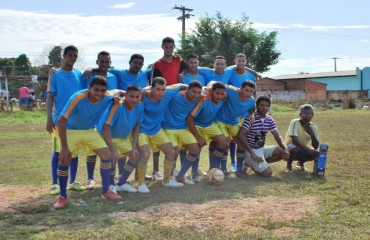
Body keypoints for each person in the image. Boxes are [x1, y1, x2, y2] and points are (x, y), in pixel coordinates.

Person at [54, 76, 122, 209]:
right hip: (70, 130)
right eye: (96, 89)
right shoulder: (78, 97)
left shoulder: (108, 97)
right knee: (64, 159)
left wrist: (118, 97)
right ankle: (62, 197)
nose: (99, 93)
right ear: (89, 88)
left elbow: (120, 92)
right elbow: (61, 121)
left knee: (107, 155)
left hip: (90, 130)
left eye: (102, 90)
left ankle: (105, 191)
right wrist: (64, 147)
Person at [136, 77, 186, 193]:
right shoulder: (143, 96)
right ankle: (141, 183)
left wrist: (205, 90)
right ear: (151, 88)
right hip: (141, 130)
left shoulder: (168, 94)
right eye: (158, 89)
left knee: (171, 152)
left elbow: (180, 85)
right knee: (145, 154)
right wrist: (144, 90)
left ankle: (166, 181)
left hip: (156, 130)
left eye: (163, 89)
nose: (161, 92)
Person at [46, 45, 84, 196]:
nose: (72, 58)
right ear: (64, 56)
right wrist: (49, 118)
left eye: (75, 56)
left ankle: (73, 181)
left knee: (73, 152)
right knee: (58, 152)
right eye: (70, 55)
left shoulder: (79, 74)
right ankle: (54, 184)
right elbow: (50, 97)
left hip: (75, 121)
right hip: (59, 120)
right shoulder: (55, 75)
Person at [151, 37, 187, 180]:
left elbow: (185, 66)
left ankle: (172, 168)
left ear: (174, 47)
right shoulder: (157, 64)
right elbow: (154, 82)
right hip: (163, 98)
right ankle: (155, 170)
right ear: (162, 47)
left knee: (174, 133)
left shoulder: (179, 60)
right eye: (166, 47)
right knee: (159, 132)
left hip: (176, 99)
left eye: (171, 46)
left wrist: (182, 73)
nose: (168, 49)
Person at [81, 51, 119, 190]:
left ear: (110, 62)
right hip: (92, 116)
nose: (104, 64)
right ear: (97, 62)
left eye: (107, 61)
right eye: (102, 61)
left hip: (108, 116)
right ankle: (90, 178)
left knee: (109, 147)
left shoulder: (114, 76)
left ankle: (111, 177)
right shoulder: (89, 76)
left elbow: (116, 94)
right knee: (91, 150)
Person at [97, 85, 144, 193]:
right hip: (107, 135)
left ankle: (121, 183)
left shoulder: (140, 106)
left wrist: (134, 146)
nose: (134, 99)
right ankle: (110, 185)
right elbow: (106, 127)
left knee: (135, 155)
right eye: (131, 96)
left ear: (140, 97)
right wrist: (112, 149)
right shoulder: (117, 105)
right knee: (112, 158)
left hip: (123, 137)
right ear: (125, 96)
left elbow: (137, 125)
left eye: (137, 97)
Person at [160, 80, 203, 185]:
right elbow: (166, 89)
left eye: (198, 92)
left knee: (195, 149)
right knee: (174, 152)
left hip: (183, 128)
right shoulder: (176, 95)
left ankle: (180, 176)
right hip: (168, 127)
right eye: (194, 92)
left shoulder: (199, 98)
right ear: (187, 90)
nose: (196, 95)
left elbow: (210, 89)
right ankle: (167, 179)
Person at [237, 95, 290, 177]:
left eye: (266, 105)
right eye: (261, 105)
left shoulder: (269, 119)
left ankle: (258, 164)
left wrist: (286, 148)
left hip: (260, 149)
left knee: (281, 151)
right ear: (257, 106)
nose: (264, 107)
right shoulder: (251, 118)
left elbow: (277, 136)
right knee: (267, 173)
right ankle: (249, 162)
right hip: (250, 151)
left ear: (269, 107)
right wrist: (252, 153)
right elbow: (241, 135)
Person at [186, 82, 228, 181]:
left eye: (222, 94)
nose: (219, 96)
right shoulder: (204, 101)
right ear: (211, 92)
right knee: (197, 148)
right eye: (217, 93)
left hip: (209, 124)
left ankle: (212, 170)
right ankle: (194, 172)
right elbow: (190, 118)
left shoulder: (222, 100)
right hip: (197, 125)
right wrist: (198, 137)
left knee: (224, 144)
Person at [212, 80, 256, 176]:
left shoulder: (251, 101)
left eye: (251, 91)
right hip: (220, 120)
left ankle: (238, 170)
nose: (248, 93)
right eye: (246, 90)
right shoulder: (231, 91)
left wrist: (252, 115)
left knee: (241, 143)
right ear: (240, 89)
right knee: (226, 143)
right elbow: (215, 84)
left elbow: (252, 108)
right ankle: (218, 169)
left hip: (233, 122)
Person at [285, 104, 320, 172]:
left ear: (312, 115)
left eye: (309, 113)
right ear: (300, 114)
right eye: (304, 113)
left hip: (302, 149)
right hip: (288, 148)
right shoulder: (295, 122)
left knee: (317, 152)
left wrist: (312, 134)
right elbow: (294, 141)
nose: (306, 115)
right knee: (294, 148)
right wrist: (309, 150)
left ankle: (300, 163)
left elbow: (316, 146)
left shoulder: (314, 127)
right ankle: (288, 166)